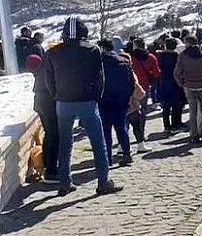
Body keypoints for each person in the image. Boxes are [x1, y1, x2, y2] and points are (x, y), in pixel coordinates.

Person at [44, 17, 122, 196]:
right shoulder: (92, 50)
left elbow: (49, 79)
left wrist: (56, 95)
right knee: (98, 142)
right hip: (87, 101)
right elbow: (99, 77)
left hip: (63, 102)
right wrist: (96, 97)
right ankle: (103, 182)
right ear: (83, 32)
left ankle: (64, 183)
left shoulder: (52, 52)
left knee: (65, 143)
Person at [97, 39, 134, 166]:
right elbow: (131, 82)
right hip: (121, 101)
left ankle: (108, 158)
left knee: (105, 131)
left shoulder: (99, 63)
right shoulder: (124, 61)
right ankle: (127, 154)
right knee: (121, 128)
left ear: (102, 48)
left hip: (104, 101)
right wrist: (127, 96)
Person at [27, 54, 59, 184]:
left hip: (41, 101)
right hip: (47, 101)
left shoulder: (45, 64)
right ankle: (51, 171)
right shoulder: (50, 64)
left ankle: (48, 166)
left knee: (50, 134)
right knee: (54, 135)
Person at [129, 38, 160, 153]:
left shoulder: (130, 57)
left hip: (132, 87)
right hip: (145, 88)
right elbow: (157, 73)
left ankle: (126, 140)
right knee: (142, 111)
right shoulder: (151, 57)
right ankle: (141, 135)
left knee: (130, 111)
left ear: (135, 46)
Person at [157, 38, 186, 133]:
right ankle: (175, 124)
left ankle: (167, 126)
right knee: (176, 104)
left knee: (165, 106)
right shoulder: (177, 56)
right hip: (175, 81)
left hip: (163, 81)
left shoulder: (159, 56)